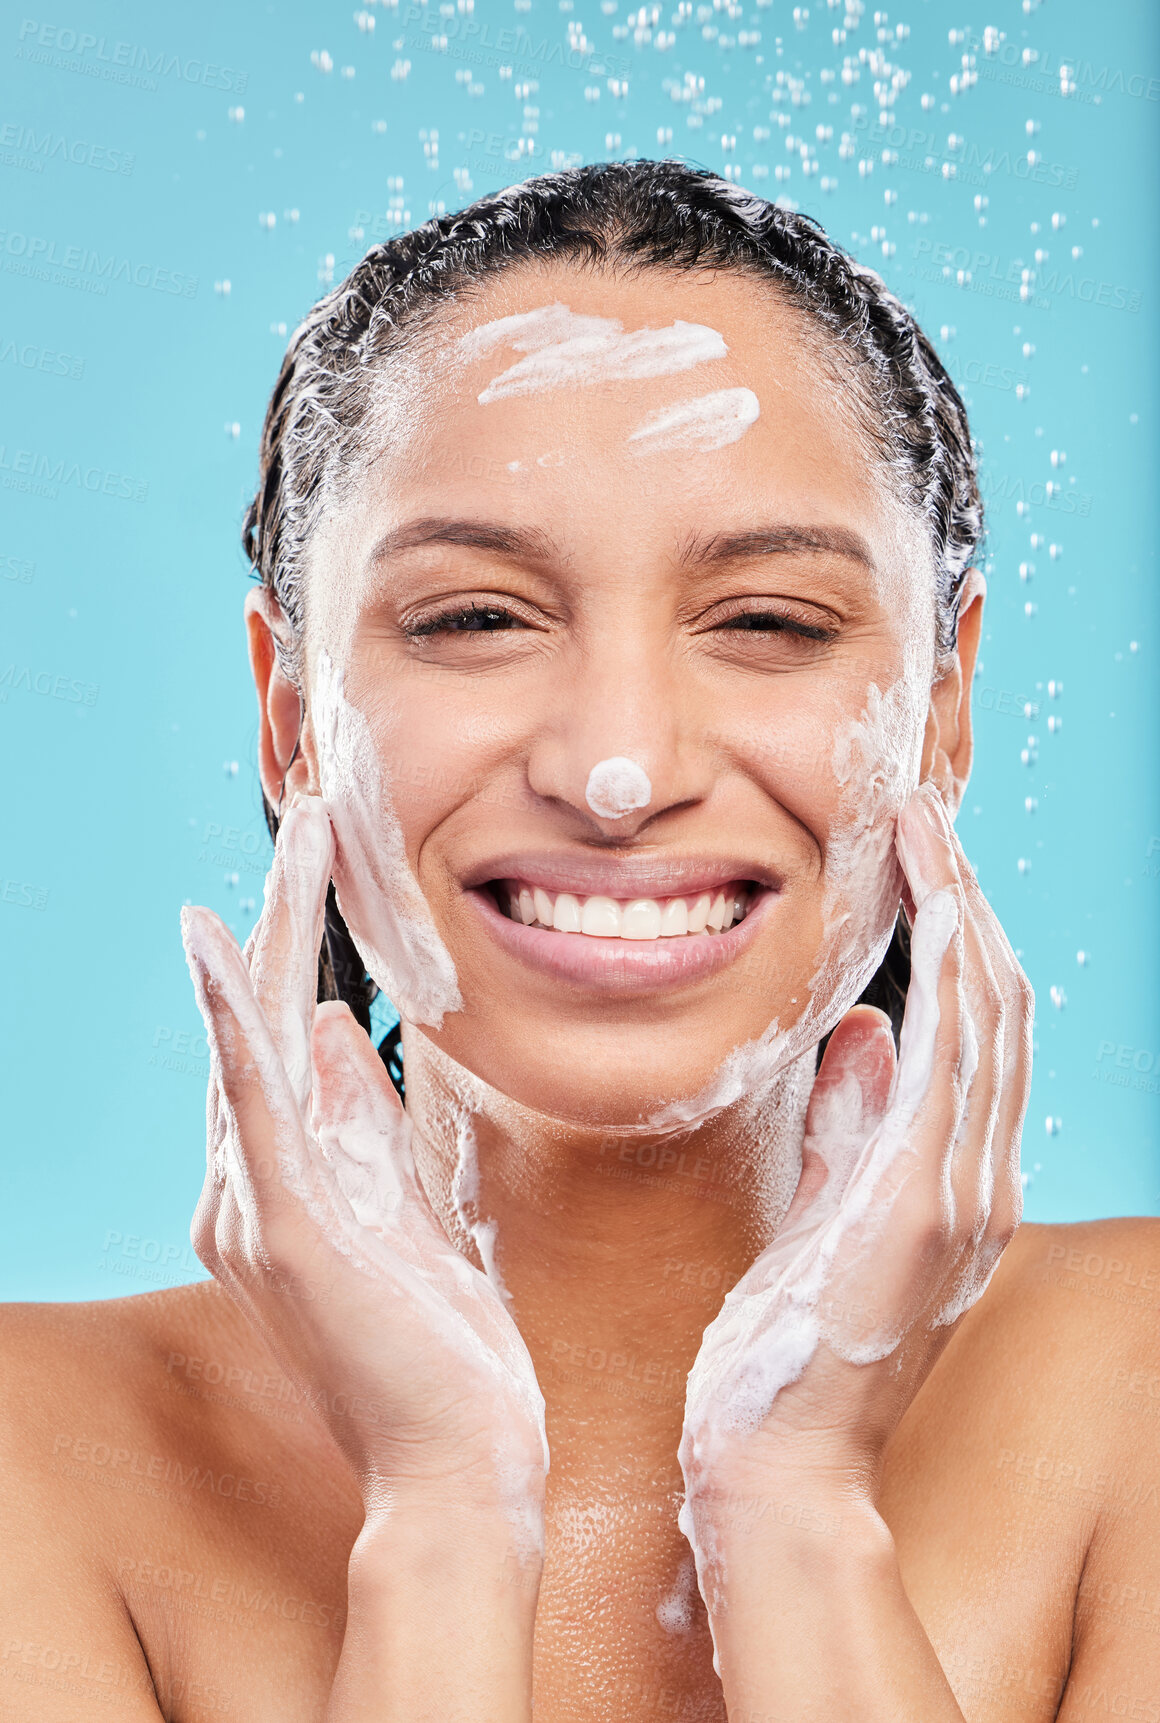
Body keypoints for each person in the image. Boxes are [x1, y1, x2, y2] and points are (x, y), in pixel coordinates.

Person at [2, 161, 1157, 1723]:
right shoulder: (34, 1463)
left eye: (769, 623)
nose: (618, 768)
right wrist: (441, 1515)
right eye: (477, 618)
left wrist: (798, 1510)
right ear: (290, 716)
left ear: (942, 710)